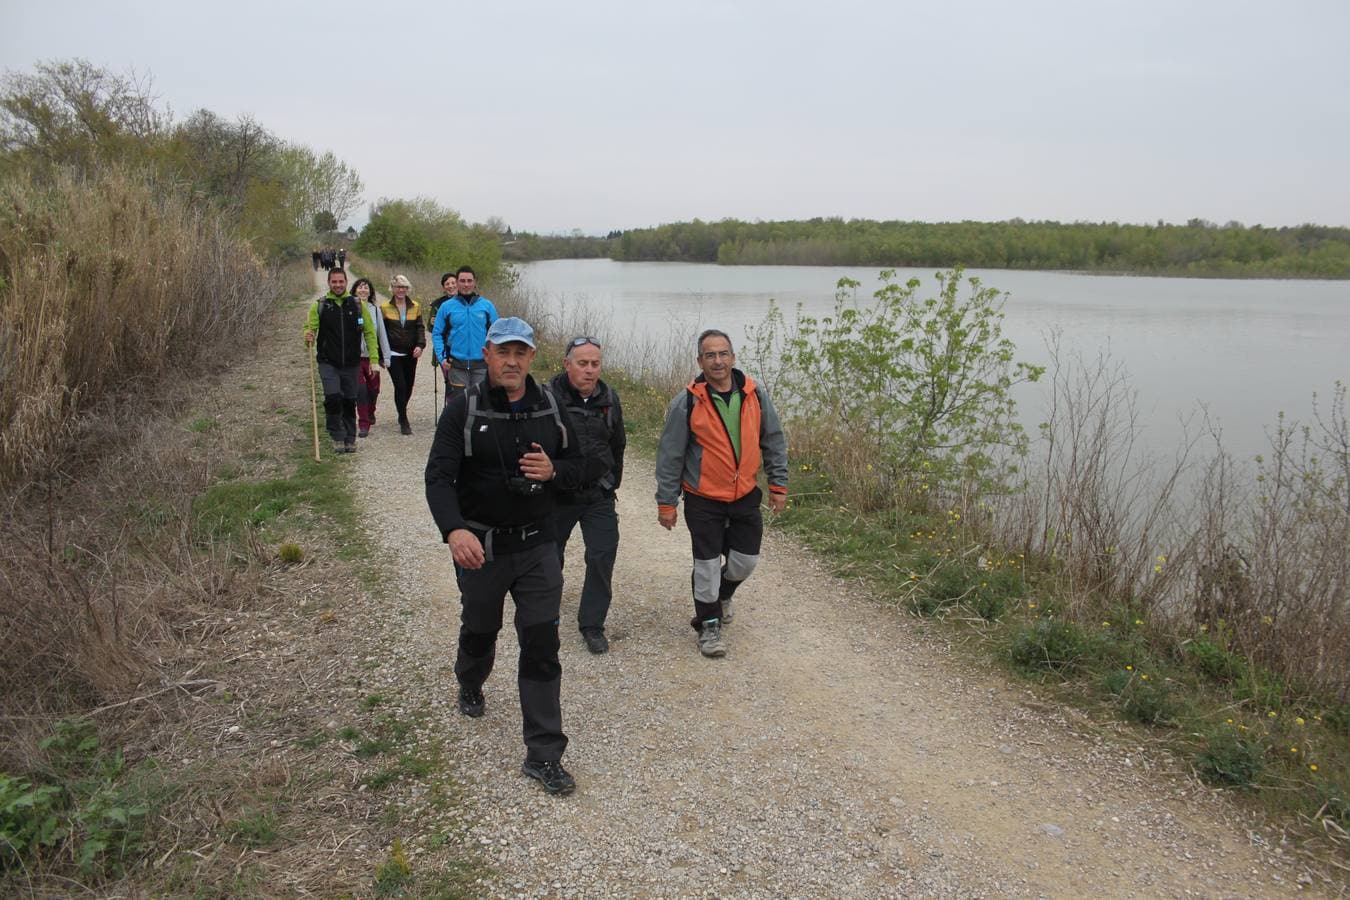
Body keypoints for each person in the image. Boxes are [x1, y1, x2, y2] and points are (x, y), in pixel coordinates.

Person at [426, 317, 597, 796]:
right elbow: (438, 478)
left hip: (539, 547)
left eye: (520, 353)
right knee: (481, 628)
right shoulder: (462, 410)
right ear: (487, 355)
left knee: (541, 646)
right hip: (482, 549)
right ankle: (470, 679)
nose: (512, 361)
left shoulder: (552, 408)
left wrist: (555, 471)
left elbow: (587, 466)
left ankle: (544, 755)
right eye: (503, 352)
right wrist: (455, 530)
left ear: (532, 358)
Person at [654, 329, 788, 658]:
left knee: (745, 562)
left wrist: (778, 483)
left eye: (723, 353)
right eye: (710, 355)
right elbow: (670, 456)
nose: (718, 361)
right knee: (706, 565)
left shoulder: (755, 395)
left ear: (733, 357)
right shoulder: (686, 402)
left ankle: (722, 594)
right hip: (703, 499)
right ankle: (708, 624)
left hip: (744, 496)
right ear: (700, 361)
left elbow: (773, 439)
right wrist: (666, 502)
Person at [548, 336, 626, 654]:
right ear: (567, 365)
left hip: (598, 495)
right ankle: (545, 611)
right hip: (557, 495)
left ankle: (592, 624)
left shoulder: (609, 399)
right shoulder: (547, 398)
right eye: (582, 363)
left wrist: (612, 483)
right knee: (549, 557)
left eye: (595, 364)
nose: (590, 370)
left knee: (602, 555)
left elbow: (618, 445)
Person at [304, 268, 379, 454]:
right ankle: (337, 435)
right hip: (328, 362)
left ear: (346, 283)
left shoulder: (357, 305)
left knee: (349, 400)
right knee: (333, 397)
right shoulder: (320, 305)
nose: (337, 285)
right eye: (334, 282)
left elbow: (370, 333)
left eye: (340, 282)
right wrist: (308, 335)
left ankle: (349, 438)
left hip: (351, 363)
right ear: (329, 283)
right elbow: (310, 328)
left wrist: (374, 360)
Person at [432, 266, 498, 402]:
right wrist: (442, 357)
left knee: (480, 404)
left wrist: (494, 357)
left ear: (475, 282)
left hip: (481, 365)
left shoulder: (487, 306)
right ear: (457, 282)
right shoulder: (446, 307)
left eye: (469, 281)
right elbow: (437, 333)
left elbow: (497, 334)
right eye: (462, 281)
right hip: (456, 366)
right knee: (459, 405)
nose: (466, 284)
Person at [380, 274, 427, 435]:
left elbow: (420, 328)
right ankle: (403, 419)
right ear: (392, 288)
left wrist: (420, 345)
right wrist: (381, 354)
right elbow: (382, 332)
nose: (401, 290)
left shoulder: (415, 306)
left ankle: (401, 409)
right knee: (400, 386)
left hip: (410, 353)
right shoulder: (384, 307)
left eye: (404, 287)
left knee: (408, 386)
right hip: (393, 353)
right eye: (398, 287)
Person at [351, 278, 391, 438]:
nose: (363, 290)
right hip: (355, 358)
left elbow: (381, 334)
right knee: (360, 391)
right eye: (360, 288)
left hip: (371, 357)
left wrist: (386, 357)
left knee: (373, 389)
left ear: (370, 292)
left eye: (366, 288)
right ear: (354, 291)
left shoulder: (375, 310)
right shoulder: (349, 308)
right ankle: (363, 423)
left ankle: (370, 411)